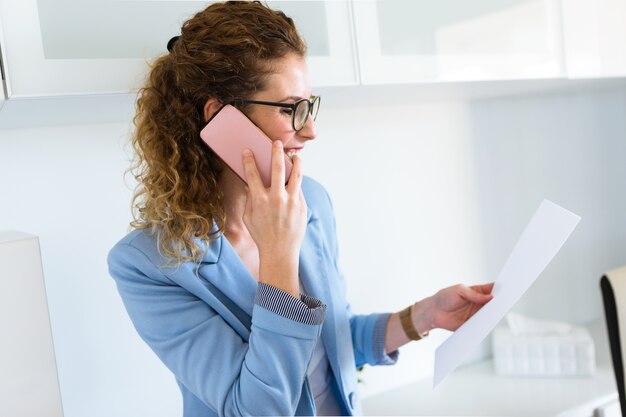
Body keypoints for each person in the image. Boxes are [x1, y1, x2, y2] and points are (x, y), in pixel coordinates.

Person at [107, 2, 494, 416]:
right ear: (220, 116)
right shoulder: (149, 265)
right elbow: (255, 408)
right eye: (292, 109)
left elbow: (331, 345)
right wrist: (278, 255)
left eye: (310, 106)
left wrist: (425, 316)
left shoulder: (311, 202)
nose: (310, 130)